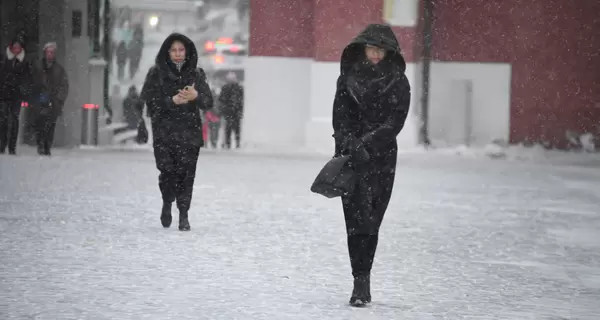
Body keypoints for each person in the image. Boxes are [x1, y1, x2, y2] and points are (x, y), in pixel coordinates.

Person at [331, 24, 411, 307]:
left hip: (382, 159)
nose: (375, 54)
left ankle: (364, 275)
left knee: (372, 220)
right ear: (362, 48)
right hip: (352, 159)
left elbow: (395, 122)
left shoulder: (399, 82)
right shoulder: (347, 79)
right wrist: (350, 143)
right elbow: (339, 119)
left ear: (388, 52)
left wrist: (368, 142)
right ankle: (359, 281)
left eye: (380, 49)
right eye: (371, 48)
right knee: (355, 222)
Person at [141, 33, 213, 231]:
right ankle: (167, 202)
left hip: (189, 133)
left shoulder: (197, 74)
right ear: (167, 52)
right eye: (173, 50)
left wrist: (196, 96)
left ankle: (183, 213)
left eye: (181, 50)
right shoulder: (156, 73)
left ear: (187, 51)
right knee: (168, 172)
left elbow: (208, 102)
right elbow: (149, 102)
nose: (178, 54)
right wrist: (171, 101)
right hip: (164, 133)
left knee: (187, 175)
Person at [0, 35, 34, 155]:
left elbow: (28, 79)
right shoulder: (4, 59)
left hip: (16, 95)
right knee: (3, 120)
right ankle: (2, 145)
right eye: (15, 47)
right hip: (3, 94)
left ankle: (11, 147)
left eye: (18, 47)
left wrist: (22, 90)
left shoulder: (25, 62)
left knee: (14, 120)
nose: (16, 49)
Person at [34, 42, 69, 156]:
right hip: (40, 101)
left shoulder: (59, 70)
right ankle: (40, 144)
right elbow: (32, 83)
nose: (50, 54)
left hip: (53, 102)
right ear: (45, 53)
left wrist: (59, 99)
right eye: (48, 52)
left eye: (52, 52)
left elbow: (64, 86)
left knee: (50, 125)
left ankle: (47, 145)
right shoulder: (38, 67)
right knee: (40, 123)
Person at [218, 72, 244, 149]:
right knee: (228, 129)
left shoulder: (239, 88)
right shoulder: (225, 88)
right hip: (228, 111)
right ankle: (228, 143)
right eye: (230, 79)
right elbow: (221, 99)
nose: (231, 80)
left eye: (232, 79)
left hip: (236, 111)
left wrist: (240, 110)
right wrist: (223, 109)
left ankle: (237, 143)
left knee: (236, 129)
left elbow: (241, 101)